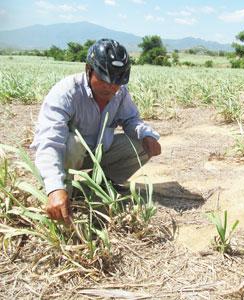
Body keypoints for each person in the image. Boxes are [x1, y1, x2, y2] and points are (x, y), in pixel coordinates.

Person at [31, 38, 161, 224]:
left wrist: (146, 135)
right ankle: (64, 189)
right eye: (103, 79)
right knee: (73, 143)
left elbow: (131, 119)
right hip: (70, 155)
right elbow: (49, 141)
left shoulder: (120, 93)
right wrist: (54, 188)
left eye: (117, 81)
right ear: (89, 69)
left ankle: (95, 185)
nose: (110, 86)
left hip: (100, 151)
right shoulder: (67, 92)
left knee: (142, 142)